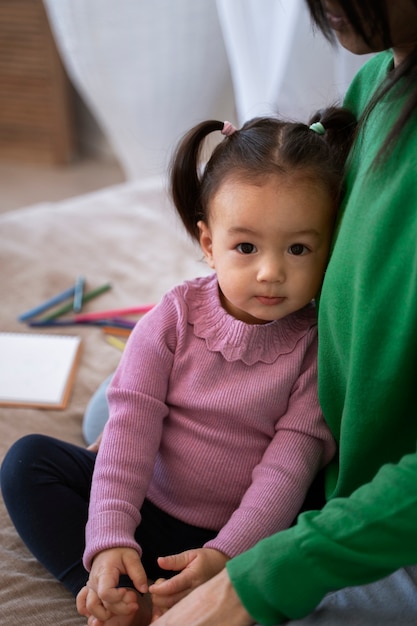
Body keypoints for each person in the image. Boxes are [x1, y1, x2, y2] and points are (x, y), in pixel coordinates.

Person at [0, 107, 356, 626]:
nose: (271, 272)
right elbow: (129, 433)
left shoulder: (319, 347)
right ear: (209, 245)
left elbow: (288, 468)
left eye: (299, 248)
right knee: (28, 461)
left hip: (241, 534)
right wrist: (108, 540)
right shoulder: (172, 318)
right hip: (148, 507)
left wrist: (227, 557)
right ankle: (113, 595)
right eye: (246, 246)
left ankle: (189, 597)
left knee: (317, 521)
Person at [147, 1, 417, 625]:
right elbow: (285, 180)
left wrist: (254, 580)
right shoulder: (378, 78)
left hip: (387, 516)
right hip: (334, 458)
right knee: (119, 405)